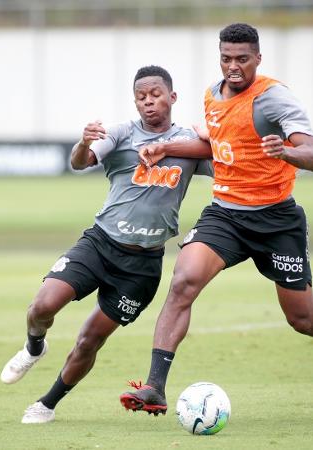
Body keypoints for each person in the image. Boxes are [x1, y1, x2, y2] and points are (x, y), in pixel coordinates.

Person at [0, 65, 212, 424]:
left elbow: (225, 161)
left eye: (155, 95)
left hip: (142, 268)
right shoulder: (120, 133)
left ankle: (46, 404)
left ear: (172, 97)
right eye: (141, 97)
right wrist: (83, 143)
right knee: (42, 306)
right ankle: (34, 346)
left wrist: (210, 134)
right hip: (99, 245)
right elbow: (79, 163)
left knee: (89, 340)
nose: (148, 102)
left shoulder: (189, 143)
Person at [120, 23, 313, 416]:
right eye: (227, 58)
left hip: (277, 221)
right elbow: (215, 145)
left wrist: (286, 153)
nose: (234, 67)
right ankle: (155, 386)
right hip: (226, 214)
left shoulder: (273, 98)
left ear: (258, 58)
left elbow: (309, 150)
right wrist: (166, 146)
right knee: (183, 280)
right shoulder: (212, 94)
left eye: (243, 59)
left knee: (303, 319)